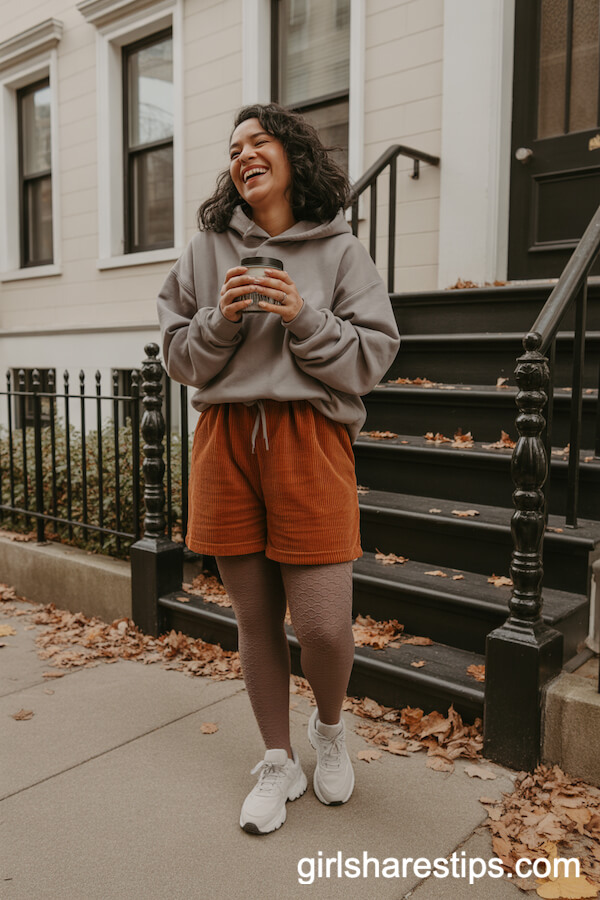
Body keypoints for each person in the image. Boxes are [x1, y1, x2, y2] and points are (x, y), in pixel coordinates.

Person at [156, 103, 400, 835]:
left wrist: (302, 315)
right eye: (234, 148)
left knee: (322, 626)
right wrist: (221, 320)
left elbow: (372, 358)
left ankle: (329, 729)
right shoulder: (206, 248)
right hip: (226, 439)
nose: (244, 155)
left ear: (293, 155)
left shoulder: (342, 251)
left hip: (309, 439)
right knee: (254, 618)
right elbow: (178, 356)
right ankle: (276, 758)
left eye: (259, 141)